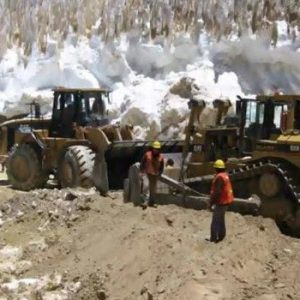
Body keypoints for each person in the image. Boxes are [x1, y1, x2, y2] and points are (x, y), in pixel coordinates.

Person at [208, 159, 234, 243]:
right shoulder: (225, 175)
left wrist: (211, 203)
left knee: (215, 221)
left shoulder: (219, 177)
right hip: (226, 201)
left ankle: (213, 238)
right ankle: (222, 236)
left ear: (216, 168)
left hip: (221, 202)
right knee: (221, 219)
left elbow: (217, 192)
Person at [140, 140, 164, 207]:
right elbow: (142, 162)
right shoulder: (147, 154)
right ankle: (145, 201)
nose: (156, 150)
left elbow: (162, 166)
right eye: (155, 148)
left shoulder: (161, 157)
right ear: (152, 148)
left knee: (153, 189)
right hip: (147, 173)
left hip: (155, 174)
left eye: (157, 149)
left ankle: (152, 202)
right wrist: (141, 171)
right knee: (146, 186)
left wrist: (160, 173)